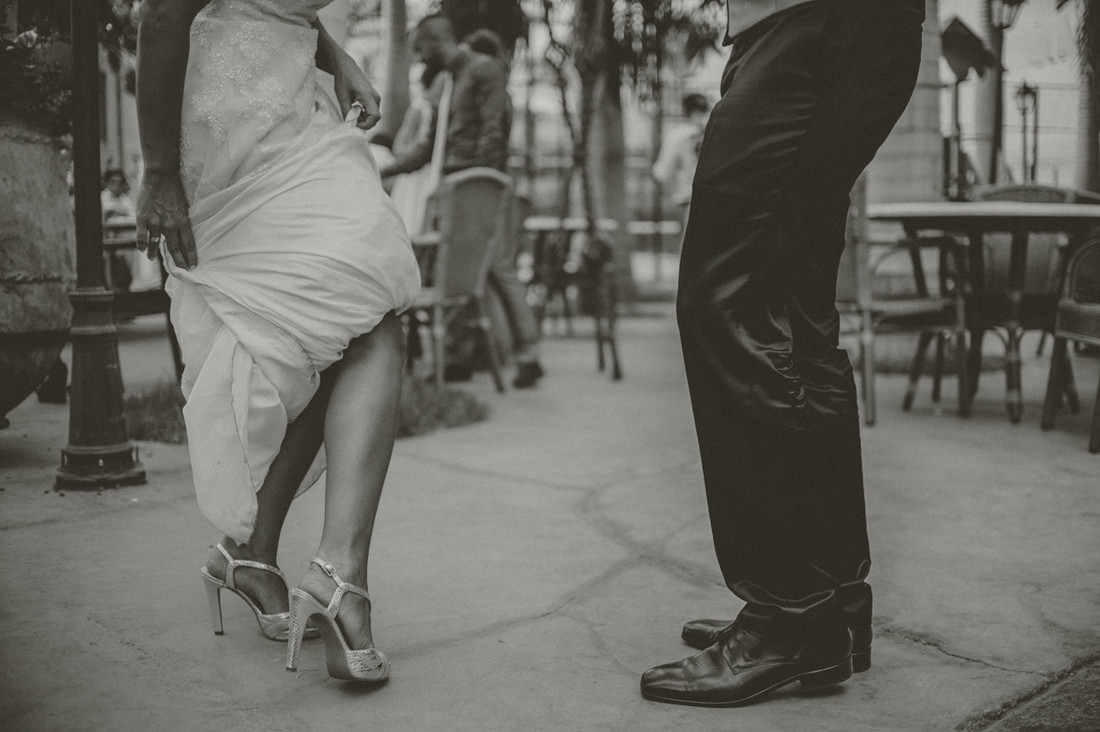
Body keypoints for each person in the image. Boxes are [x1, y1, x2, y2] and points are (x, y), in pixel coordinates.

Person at [640, 0, 925, 707]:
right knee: (797, 317)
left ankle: (789, 613)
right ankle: (832, 600)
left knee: (723, 303)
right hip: (848, 28)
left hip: (809, 26)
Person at [134, 0, 420, 683]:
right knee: (361, 315)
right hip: (233, 124)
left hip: (300, 111)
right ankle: (335, 576)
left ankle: (259, 554)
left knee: (350, 320)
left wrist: (333, 54)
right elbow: (164, 13)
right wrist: (158, 170)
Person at [380, 16, 544, 389]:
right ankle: (457, 355)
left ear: (436, 41)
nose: (419, 59)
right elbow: (428, 146)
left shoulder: (484, 70)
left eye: (420, 49)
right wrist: (385, 170)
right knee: (451, 269)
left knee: (498, 267)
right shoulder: (445, 82)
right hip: (449, 188)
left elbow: (493, 133)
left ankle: (528, 354)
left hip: (479, 187)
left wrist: (478, 187)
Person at [650, 93, 709, 224]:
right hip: (712, 200)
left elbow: (662, 173)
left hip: (686, 199)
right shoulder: (713, 131)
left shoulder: (676, 134)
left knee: (688, 236)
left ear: (684, 110)